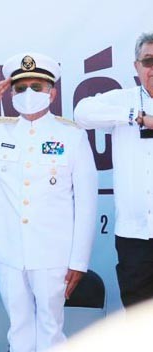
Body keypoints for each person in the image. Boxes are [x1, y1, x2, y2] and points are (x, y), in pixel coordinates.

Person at [0, 52, 98, 352]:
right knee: (19, 331)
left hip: (53, 251)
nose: (29, 93)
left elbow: (86, 202)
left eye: (37, 86)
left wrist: (79, 260)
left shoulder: (72, 136)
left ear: (52, 93)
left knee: (51, 330)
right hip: (10, 249)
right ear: (11, 93)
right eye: (21, 87)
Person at [74, 32, 153, 308]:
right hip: (134, 236)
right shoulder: (123, 100)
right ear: (137, 67)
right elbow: (81, 113)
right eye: (148, 61)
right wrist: (136, 117)